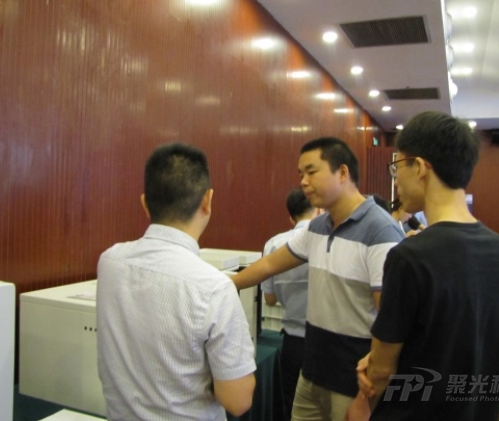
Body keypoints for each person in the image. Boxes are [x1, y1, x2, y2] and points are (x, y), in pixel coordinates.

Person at [347, 111, 499, 421]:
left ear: (420, 167)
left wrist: (365, 395)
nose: (396, 178)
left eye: (398, 166)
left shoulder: (411, 256)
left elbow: (382, 371)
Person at [231, 137, 404, 421]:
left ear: (343, 172)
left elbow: (390, 320)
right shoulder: (318, 227)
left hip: (352, 382)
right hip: (311, 374)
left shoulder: (380, 231)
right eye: (301, 174)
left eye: (311, 172)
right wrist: (223, 284)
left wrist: (368, 393)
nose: (303, 181)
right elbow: (270, 264)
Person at [96, 143, 256, 421]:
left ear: (145, 203)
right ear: (207, 201)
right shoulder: (214, 287)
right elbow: (238, 401)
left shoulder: (110, 261)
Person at [261, 188, 319, 420]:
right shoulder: (328, 238)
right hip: (328, 343)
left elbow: (269, 298)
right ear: (318, 210)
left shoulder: (274, 244)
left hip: (293, 344)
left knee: (292, 408)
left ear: (290, 217)